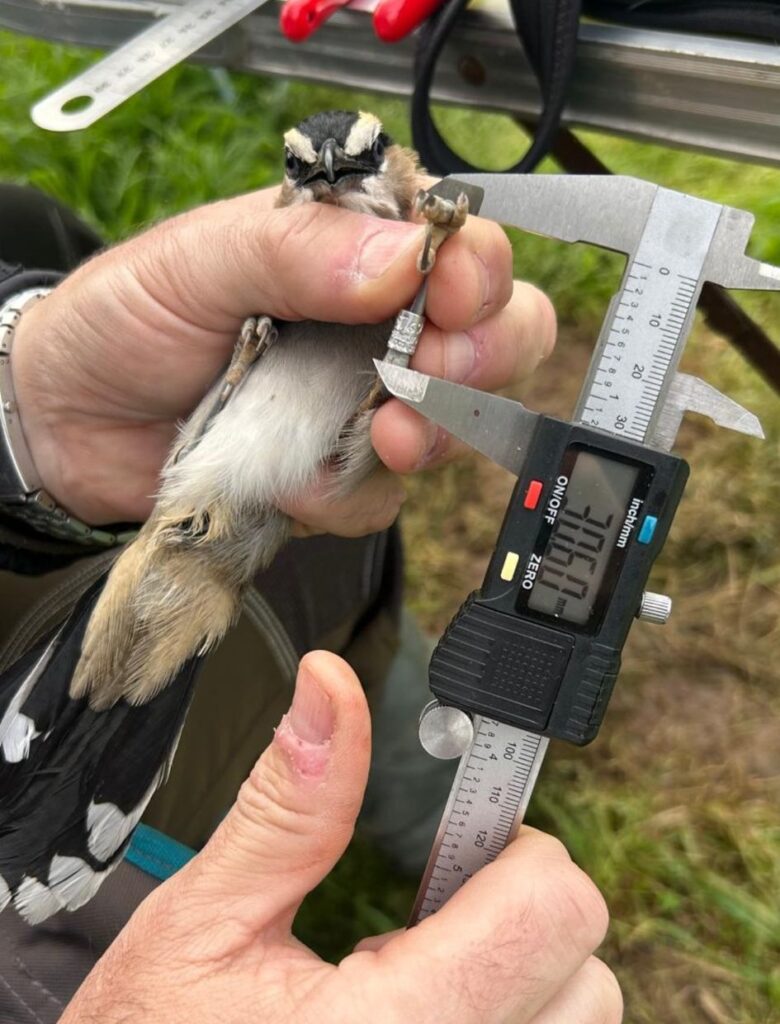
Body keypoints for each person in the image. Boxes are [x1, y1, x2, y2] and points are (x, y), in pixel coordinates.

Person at [0, 182, 622, 1022]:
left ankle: (434, 816)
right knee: (323, 592)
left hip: (221, 531)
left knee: (352, 602)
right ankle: (436, 817)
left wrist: (30, 398)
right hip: (212, 547)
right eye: (311, 177)